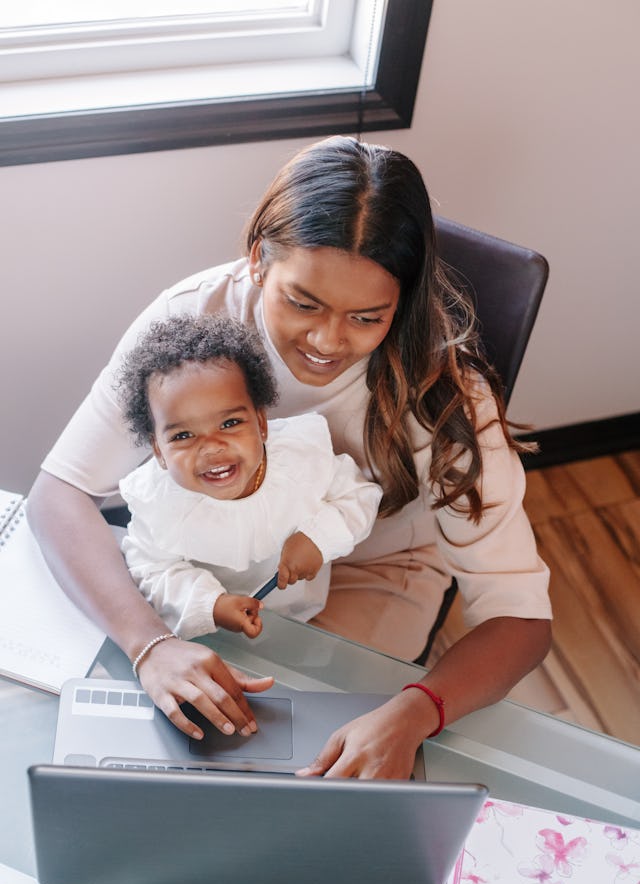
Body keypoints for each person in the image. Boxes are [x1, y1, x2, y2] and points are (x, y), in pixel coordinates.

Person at [28, 135, 552, 778]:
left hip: (368, 566)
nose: (328, 341)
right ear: (257, 260)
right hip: (198, 548)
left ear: (405, 301)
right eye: (303, 303)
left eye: (367, 317)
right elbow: (61, 492)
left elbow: (520, 616)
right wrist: (151, 646)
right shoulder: (194, 318)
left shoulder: (445, 398)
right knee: (114, 730)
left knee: (291, 764)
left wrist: (417, 711)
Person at [116, 312, 382, 645]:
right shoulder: (159, 502)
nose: (212, 447)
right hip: (203, 628)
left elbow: (359, 496)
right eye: (183, 435)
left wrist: (318, 537)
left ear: (261, 423)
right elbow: (151, 569)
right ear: (158, 450)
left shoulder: (302, 458)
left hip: (299, 613)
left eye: (229, 424)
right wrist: (211, 604)